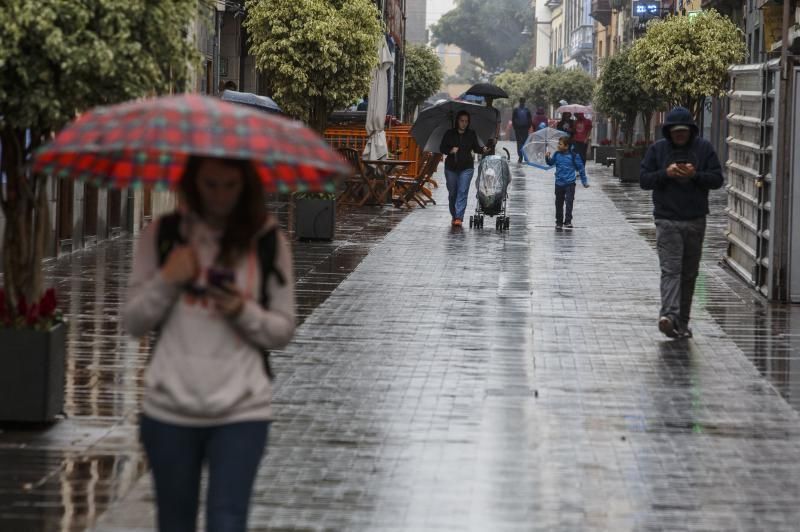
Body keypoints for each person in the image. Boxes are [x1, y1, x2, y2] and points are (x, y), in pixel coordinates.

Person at [122, 156, 296, 532]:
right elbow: (134, 321)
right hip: (168, 410)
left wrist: (242, 311)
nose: (220, 196)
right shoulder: (162, 236)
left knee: (227, 521)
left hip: (242, 411)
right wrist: (167, 280)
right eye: (210, 184)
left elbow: (282, 330)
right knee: (174, 522)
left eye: (230, 185)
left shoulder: (266, 241)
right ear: (192, 183)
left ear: (245, 185)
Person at [640, 106, 723, 339]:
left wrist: (694, 175)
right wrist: (665, 173)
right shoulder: (658, 150)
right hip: (667, 220)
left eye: (683, 132)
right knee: (671, 270)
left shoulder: (704, 149)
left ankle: (682, 322)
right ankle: (668, 315)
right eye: (675, 132)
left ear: (691, 131)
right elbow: (644, 180)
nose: (679, 135)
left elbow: (717, 179)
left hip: (696, 220)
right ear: (668, 132)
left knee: (689, 273)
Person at [439, 110, 490, 227]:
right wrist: (450, 150)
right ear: (457, 121)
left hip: (466, 168)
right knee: (452, 193)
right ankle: (454, 214)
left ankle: (459, 217)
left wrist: (483, 149)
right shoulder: (449, 133)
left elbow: (476, 148)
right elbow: (442, 148)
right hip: (451, 168)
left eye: (466, 121)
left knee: (462, 191)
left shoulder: (471, 134)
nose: (464, 123)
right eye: (462, 121)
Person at [545, 136, 589, 231]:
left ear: (566, 146)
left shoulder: (574, 156)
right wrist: (547, 157)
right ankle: (559, 222)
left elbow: (581, 168)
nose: (558, 145)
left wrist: (584, 181)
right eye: (558, 143)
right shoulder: (556, 154)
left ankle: (568, 221)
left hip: (570, 183)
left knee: (569, 202)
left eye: (560, 144)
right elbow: (550, 163)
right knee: (558, 203)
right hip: (559, 183)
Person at [511, 98, 533, 163]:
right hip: (525, 129)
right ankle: (525, 156)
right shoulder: (527, 110)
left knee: (519, 143)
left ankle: (520, 157)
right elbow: (530, 120)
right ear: (524, 101)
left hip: (518, 129)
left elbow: (513, 120)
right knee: (524, 143)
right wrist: (528, 127)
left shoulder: (516, 110)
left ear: (519, 101)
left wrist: (515, 128)